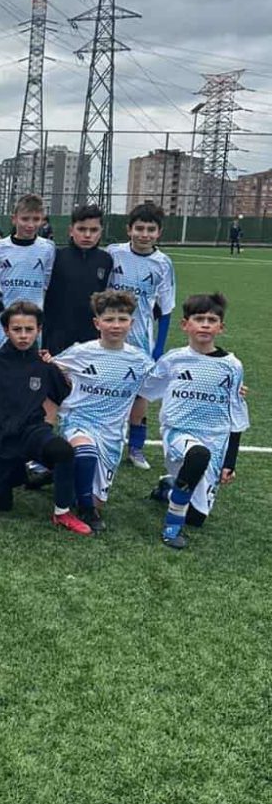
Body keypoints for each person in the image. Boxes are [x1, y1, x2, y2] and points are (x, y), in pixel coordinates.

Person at [134, 292, 248, 550]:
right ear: (185, 324)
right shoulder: (173, 359)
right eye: (199, 319)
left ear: (221, 327)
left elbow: (236, 415)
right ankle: (171, 526)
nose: (205, 325)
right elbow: (145, 388)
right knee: (198, 455)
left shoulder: (232, 366)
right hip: (178, 432)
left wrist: (230, 461)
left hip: (216, 438)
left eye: (212, 320)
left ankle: (168, 487)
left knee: (196, 518)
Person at [47, 289, 155, 533]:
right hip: (79, 421)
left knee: (97, 498)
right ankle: (88, 510)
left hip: (112, 431)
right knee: (86, 453)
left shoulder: (140, 361)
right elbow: (50, 368)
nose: (115, 325)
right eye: (109, 319)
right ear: (97, 323)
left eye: (122, 319)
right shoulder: (81, 352)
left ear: (131, 323)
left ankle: (65, 475)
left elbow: (162, 384)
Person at [0, 301, 90, 533]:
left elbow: (65, 393)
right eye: (16, 329)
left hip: (32, 432)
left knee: (63, 451)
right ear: (6, 330)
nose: (23, 335)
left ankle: (62, 513)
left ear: (39, 330)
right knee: (1, 504)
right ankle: (36, 474)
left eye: (29, 329)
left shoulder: (44, 365)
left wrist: (56, 366)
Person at [109, 202, 177, 471]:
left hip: (141, 340)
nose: (144, 234)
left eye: (150, 229)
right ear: (129, 229)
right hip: (110, 336)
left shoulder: (163, 263)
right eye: (139, 228)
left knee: (141, 395)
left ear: (159, 233)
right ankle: (109, 440)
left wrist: (158, 348)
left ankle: (136, 447)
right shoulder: (114, 253)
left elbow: (166, 309)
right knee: (110, 389)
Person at [41, 203, 113, 356]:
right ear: (71, 230)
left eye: (93, 230)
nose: (87, 235)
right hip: (58, 336)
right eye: (81, 229)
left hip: (91, 337)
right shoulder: (57, 257)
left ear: (101, 231)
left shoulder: (106, 260)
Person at [0, 194, 55, 347]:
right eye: (25, 219)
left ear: (42, 220)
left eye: (36, 219)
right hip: (4, 319)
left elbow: (46, 282)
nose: (30, 225)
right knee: (1, 357)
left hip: (33, 320)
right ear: (14, 219)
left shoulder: (48, 248)